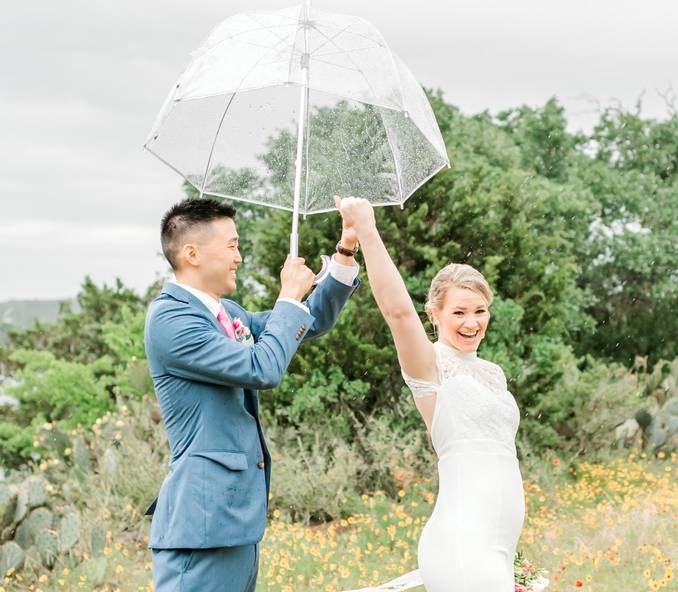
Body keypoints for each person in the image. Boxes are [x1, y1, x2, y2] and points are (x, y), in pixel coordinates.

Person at [143, 197, 361, 592]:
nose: (239, 257)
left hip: (234, 523)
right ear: (192, 253)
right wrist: (287, 296)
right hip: (201, 529)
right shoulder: (170, 320)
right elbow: (262, 367)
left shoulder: (228, 313)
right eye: (231, 245)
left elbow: (303, 324)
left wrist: (344, 251)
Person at [335, 196, 524, 592]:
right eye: (458, 312)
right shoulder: (431, 365)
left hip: (500, 546)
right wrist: (366, 231)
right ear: (434, 314)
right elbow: (397, 312)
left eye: (480, 310)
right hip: (462, 543)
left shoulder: (493, 374)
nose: (472, 323)